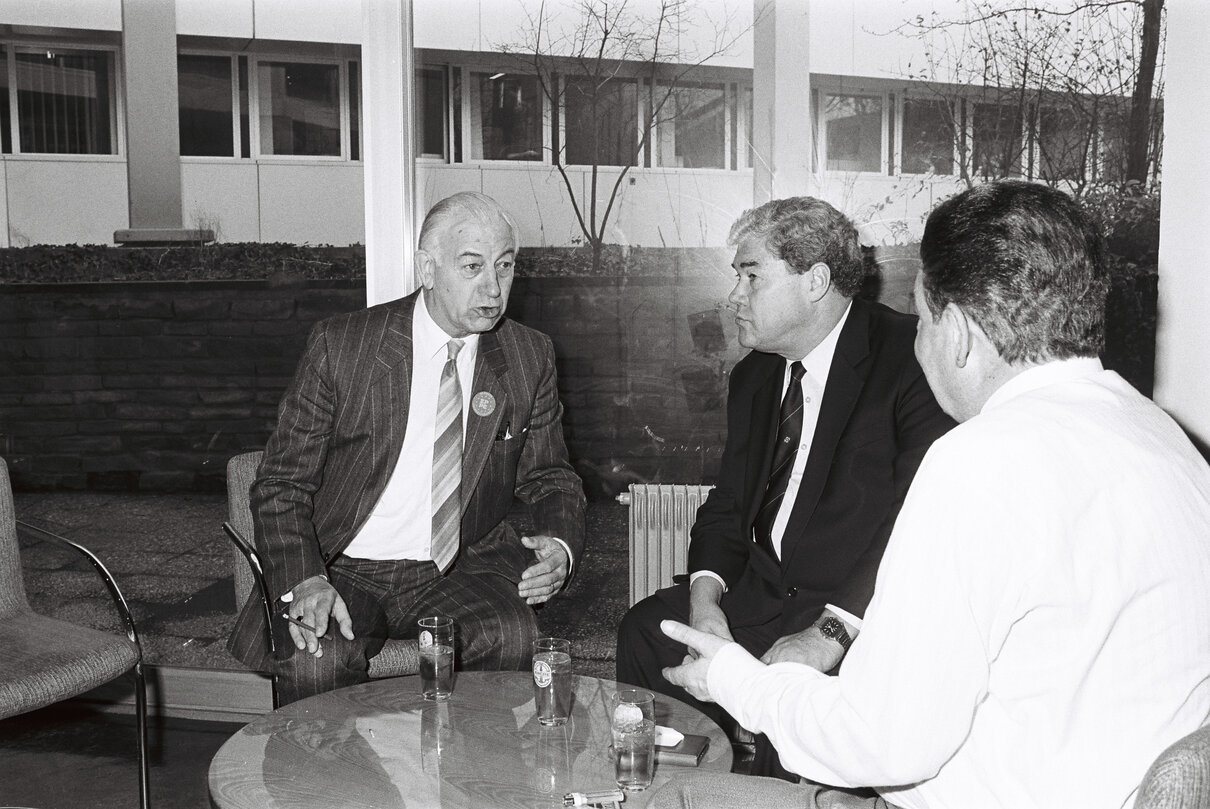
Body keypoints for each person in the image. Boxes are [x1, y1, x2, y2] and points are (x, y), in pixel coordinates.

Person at [658, 180, 1210, 809]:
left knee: (661, 800)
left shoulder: (983, 461)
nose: (917, 345)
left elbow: (877, 740)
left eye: (921, 321)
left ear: (961, 333)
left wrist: (733, 678)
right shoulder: (1165, 436)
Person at [615, 196, 953, 778]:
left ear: (815, 281)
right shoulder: (757, 373)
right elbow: (726, 508)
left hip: (854, 607)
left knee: (795, 691)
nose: (733, 297)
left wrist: (827, 636)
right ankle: (686, 789)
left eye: (752, 276)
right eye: (735, 277)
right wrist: (707, 606)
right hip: (765, 589)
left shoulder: (908, 358)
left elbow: (918, 525)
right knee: (646, 631)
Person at [228, 191, 585, 704]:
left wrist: (559, 545)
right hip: (343, 565)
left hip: (455, 568)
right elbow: (281, 483)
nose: (492, 287)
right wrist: (305, 580)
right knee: (316, 660)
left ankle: (464, 781)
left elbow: (551, 476)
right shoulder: (345, 347)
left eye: (505, 267)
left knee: (513, 635)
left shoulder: (528, 355)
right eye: (472, 266)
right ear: (428, 267)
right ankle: (330, 787)